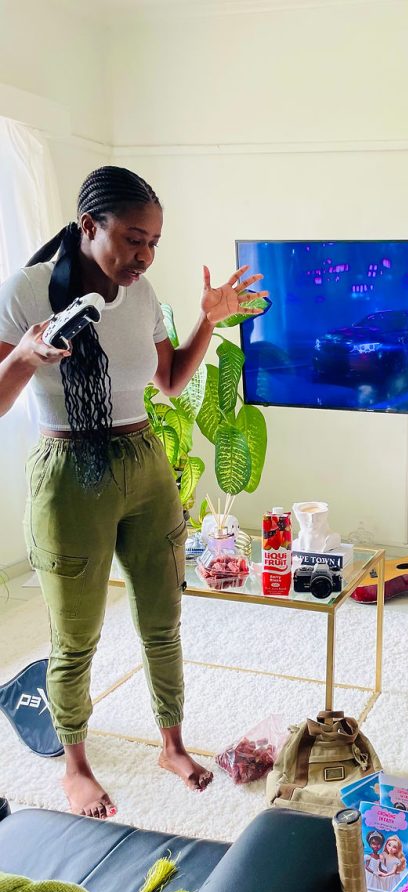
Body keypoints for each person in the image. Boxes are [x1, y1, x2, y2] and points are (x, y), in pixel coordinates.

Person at [0, 165, 268, 819]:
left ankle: (172, 746)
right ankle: (76, 765)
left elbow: (170, 382)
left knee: (162, 619)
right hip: (69, 471)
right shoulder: (26, 291)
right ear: (89, 225)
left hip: (145, 463)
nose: (144, 256)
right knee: (76, 636)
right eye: (132, 239)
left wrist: (207, 319)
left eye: (153, 243)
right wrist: (25, 358)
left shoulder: (142, 294)